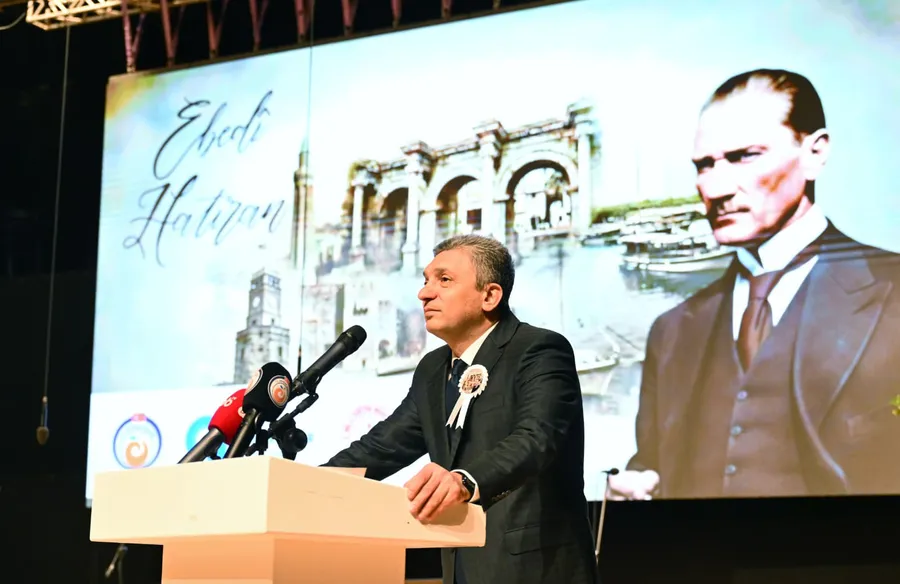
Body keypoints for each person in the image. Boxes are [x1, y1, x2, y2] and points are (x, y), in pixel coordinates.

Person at [609, 68, 900, 500]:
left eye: (745, 156)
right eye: (704, 165)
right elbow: (653, 465)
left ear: (815, 153)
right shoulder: (670, 332)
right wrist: (634, 493)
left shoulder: (893, 291)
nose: (715, 188)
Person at [324, 234, 598, 584]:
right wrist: (303, 484)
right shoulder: (432, 369)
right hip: (462, 570)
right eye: (425, 280)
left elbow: (536, 439)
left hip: (537, 569)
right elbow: (381, 448)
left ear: (490, 296)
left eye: (444, 280)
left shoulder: (539, 350)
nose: (424, 293)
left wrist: (464, 481)